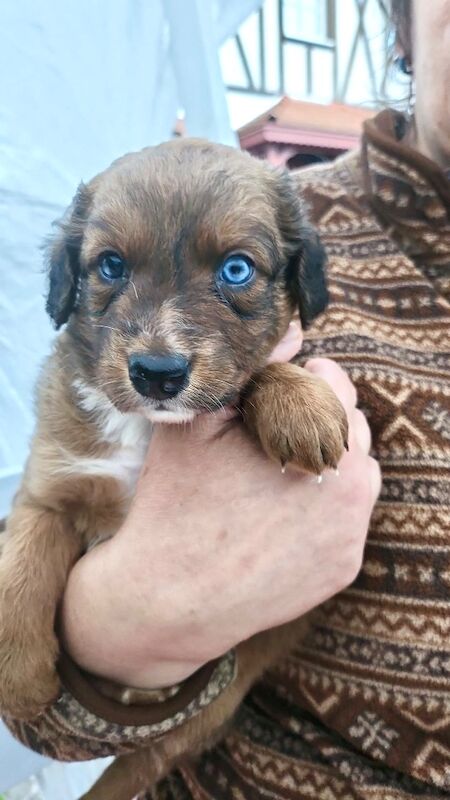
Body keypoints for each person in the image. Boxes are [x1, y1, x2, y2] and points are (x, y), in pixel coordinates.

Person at [4, 0, 450, 797]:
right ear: (404, 19)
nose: (161, 341)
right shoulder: (307, 214)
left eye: (235, 273)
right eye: (110, 268)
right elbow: (40, 716)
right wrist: (125, 621)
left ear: (293, 284)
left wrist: (271, 387)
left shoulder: (282, 240)